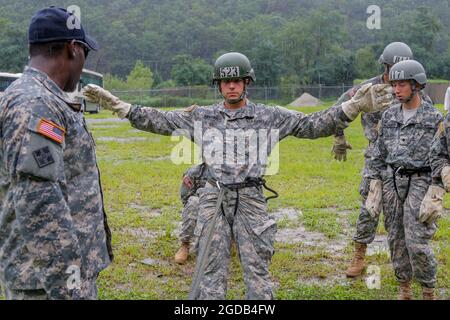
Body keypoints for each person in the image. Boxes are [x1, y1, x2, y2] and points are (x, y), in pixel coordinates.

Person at [84, 52, 392, 299]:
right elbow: (162, 120)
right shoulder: (202, 116)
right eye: (225, 82)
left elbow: (312, 125)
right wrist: (122, 108)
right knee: (210, 269)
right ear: (218, 85)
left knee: (257, 269)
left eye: (238, 82)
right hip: (212, 198)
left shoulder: (269, 116)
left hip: (251, 200)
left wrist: (351, 107)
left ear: (247, 83)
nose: (231, 87)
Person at [0, 7, 113, 300]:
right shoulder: (35, 103)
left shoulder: (41, 97)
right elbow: (39, 203)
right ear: (73, 49)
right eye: (86, 52)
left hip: (51, 274)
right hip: (47, 282)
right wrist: (68, 287)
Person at [337, 42, 430, 278]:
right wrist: (339, 135)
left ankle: (409, 264)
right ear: (385, 66)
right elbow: (341, 106)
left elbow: (429, 119)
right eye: (393, 68)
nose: (397, 74)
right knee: (369, 208)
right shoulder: (369, 87)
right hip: (376, 156)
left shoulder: (416, 89)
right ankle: (359, 255)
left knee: (409, 214)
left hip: (407, 161)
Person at [366, 60, 442, 300]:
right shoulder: (388, 116)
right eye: (393, 85)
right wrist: (374, 184)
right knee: (396, 237)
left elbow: (442, 155)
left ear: (416, 85)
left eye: (401, 85)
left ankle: (428, 290)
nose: (396, 90)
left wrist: (437, 188)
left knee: (416, 240)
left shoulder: (434, 118)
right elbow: (378, 152)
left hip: (421, 179)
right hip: (392, 180)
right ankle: (404, 288)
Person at [175, 163, 207, 264]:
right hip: (205, 208)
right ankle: (185, 244)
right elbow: (186, 199)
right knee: (193, 202)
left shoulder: (232, 172)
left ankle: (232, 240)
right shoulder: (195, 172)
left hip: (224, 208)